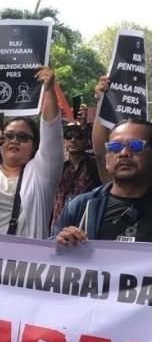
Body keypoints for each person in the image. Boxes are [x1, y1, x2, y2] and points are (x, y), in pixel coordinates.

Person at [0, 66, 63, 239]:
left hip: (30, 256)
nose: (14, 141)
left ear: (34, 145)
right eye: (9, 136)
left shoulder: (41, 173)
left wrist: (49, 90)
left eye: (23, 137)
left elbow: (52, 135)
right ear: (0, 142)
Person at [53, 80, 151, 244]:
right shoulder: (80, 207)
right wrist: (61, 244)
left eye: (135, 146)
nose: (124, 153)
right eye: (115, 147)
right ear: (107, 158)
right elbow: (51, 254)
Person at [49, 121, 101, 229]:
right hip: (58, 225)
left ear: (85, 141)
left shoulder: (94, 165)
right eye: (69, 137)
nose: (73, 140)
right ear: (64, 142)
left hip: (84, 225)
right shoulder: (56, 165)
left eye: (78, 136)